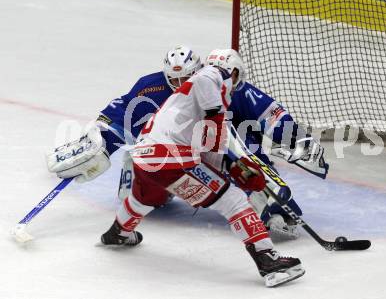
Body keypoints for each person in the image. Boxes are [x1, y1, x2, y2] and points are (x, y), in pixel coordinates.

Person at [46, 45, 328, 239]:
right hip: (173, 158)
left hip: (220, 155)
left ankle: (267, 207)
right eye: (174, 78)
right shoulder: (152, 87)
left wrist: (297, 140)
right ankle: (127, 219)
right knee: (143, 190)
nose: (179, 82)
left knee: (257, 185)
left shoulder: (229, 87)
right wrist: (100, 142)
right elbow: (121, 114)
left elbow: (270, 115)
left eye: (186, 76)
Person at [99, 49, 305, 287]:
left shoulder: (191, 98)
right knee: (235, 200)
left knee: (141, 199)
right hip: (172, 159)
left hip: (146, 158)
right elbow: (209, 90)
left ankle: (117, 234)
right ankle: (269, 262)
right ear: (234, 69)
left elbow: (208, 148)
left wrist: (235, 168)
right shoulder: (212, 77)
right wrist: (215, 116)